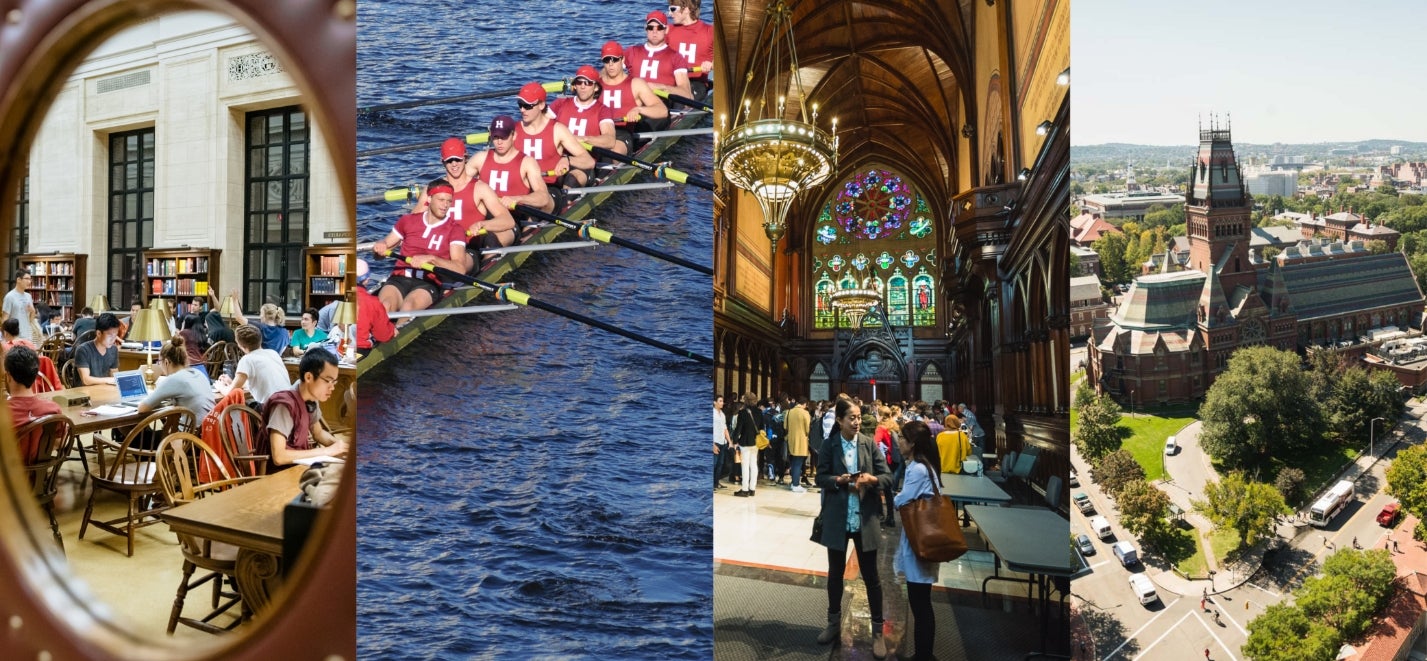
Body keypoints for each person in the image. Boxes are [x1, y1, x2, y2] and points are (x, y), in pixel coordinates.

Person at [814, 399, 892, 658]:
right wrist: (838, 480)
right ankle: (833, 623)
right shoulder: (830, 444)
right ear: (840, 421)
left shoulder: (868, 444)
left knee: (871, 577)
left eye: (859, 417)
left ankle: (878, 632)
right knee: (835, 574)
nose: (857, 422)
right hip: (838, 518)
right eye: (852, 418)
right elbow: (819, 477)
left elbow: (888, 476)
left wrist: (872, 479)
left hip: (863, 518)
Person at [371, 179, 474, 313]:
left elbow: (460, 269)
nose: (445, 205)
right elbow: (379, 255)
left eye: (449, 201)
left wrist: (432, 259)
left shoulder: (455, 230)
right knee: (385, 306)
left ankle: (400, 330)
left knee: (408, 306)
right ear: (430, 199)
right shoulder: (407, 221)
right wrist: (379, 247)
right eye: (441, 200)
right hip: (399, 278)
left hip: (428, 283)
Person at [893, 420, 947, 661]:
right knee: (921, 601)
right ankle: (923, 654)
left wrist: (881, 494)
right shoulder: (926, 465)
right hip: (923, 535)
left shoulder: (917, 468)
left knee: (920, 604)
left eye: (902, 439)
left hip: (921, 539)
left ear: (912, 443)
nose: (899, 443)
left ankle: (924, 656)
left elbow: (904, 500)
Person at [410, 139, 518, 255]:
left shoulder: (480, 188)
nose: (454, 164)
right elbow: (411, 223)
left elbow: (508, 220)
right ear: (443, 162)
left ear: (465, 158)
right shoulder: (432, 189)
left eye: (458, 159)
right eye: (449, 160)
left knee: (494, 239)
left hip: (469, 248)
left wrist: (482, 224)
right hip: (441, 246)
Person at [259, 348, 349, 470]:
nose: (332, 388)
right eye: (328, 381)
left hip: (299, 467)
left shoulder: (310, 398)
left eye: (334, 382)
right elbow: (279, 456)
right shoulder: (285, 405)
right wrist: (327, 451)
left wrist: (341, 447)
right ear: (308, 377)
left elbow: (318, 433)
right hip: (279, 475)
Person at [512, 81, 596, 192]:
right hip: (522, 185)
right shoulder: (514, 130)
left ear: (541, 105)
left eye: (528, 106)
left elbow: (589, 161)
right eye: (520, 105)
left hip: (549, 187)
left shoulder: (557, 130)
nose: (522, 110)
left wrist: (567, 160)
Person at [466, 115, 555, 213]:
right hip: (488, 214)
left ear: (514, 135)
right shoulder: (480, 158)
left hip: (516, 213)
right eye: (496, 137)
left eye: (504, 137)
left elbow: (543, 197)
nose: (499, 142)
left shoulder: (527, 162)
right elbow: (456, 184)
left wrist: (517, 199)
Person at [597, 41, 669, 152]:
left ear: (623, 60)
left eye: (615, 59)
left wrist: (638, 109)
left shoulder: (636, 84)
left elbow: (662, 111)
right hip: (598, 132)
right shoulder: (595, 85)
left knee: (608, 154)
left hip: (622, 134)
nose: (611, 64)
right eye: (607, 60)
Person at [550, 65, 624, 157]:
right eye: (579, 82)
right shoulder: (560, 103)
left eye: (588, 83)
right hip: (558, 157)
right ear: (575, 86)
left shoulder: (602, 110)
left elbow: (610, 140)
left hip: (584, 160)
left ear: (596, 87)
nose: (582, 86)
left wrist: (583, 139)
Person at [5, 346, 62, 463]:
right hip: (38, 477)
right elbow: (60, 443)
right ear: (36, 376)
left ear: (8, 376)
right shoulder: (53, 410)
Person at [137, 335, 215, 421]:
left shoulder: (174, 379)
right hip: (209, 429)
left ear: (166, 362)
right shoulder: (198, 373)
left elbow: (142, 408)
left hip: (190, 433)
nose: (159, 366)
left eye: (159, 362)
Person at [624, 11, 692, 102]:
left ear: (666, 30)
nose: (654, 32)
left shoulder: (675, 57)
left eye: (659, 28)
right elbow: (609, 74)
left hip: (661, 104)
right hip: (632, 101)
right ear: (646, 29)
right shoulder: (631, 51)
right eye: (650, 27)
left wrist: (658, 87)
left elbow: (686, 93)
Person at [221, 324, 289, 407]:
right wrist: (233, 383)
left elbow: (230, 393)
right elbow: (263, 381)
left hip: (271, 409)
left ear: (239, 345)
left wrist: (220, 387)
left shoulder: (247, 359)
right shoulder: (273, 353)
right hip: (289, 404)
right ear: (260, 339)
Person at [666, 0, 713, 100]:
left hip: (696, 82)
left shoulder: (709, 31)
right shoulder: (667, 30)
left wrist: (712, 64)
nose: (669, 14)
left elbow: (728, 59)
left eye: (673, 9)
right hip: (671, 80)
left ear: (686, 9)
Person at [353, 259, 396, 356]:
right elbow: (383, 336)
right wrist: (392, 330)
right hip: (359, 348)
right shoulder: (373, 303)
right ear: (367, 279)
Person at [74, 312, 121, 385]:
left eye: (115, 336)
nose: (113, 339)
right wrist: (110, 380)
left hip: (103, 391)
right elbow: (86, 380)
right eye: (110, 335)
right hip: (84, 393)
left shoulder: (113, 349)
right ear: (98, 333)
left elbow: (114, 374)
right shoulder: (83, 350)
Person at [732, 392, 762, 497]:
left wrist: (734, 440)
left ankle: (744, 489)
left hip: (745, 442)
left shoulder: (743, 412)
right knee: (754, 465)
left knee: (744, 465)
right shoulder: (759, 412)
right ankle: (752, 488)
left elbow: (738, 428)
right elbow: (762, 427)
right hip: (756, 442)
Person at [2, 270, 39, 345]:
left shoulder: (28, 296)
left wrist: (32, 311)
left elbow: (31, 319)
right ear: (18, 280)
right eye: (27, 279)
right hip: (15, 338)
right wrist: (5, 338)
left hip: (28, 336)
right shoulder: (10, 297)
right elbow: (4, 319)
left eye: (30, 279)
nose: (29, 281)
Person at [786, 397, 811, 493]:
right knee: (798, 463)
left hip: (791, 439)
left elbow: (785, 426)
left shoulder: (789, 412)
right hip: (801, 440)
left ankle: (793, 482)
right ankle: (796, 484)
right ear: (804, 404)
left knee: (793, 462)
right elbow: (807, 429)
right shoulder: (805, 413)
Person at [714, 395, 730, 490]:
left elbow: (725, 429)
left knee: (720, 464)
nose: (722, 403)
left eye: (722, 401)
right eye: (720, 401)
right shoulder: (712, 413)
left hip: (723, 441)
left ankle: (716, 483)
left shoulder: (722, 414)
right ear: (714, 402)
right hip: (715, 441)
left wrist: (730, 442)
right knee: (714, 464)